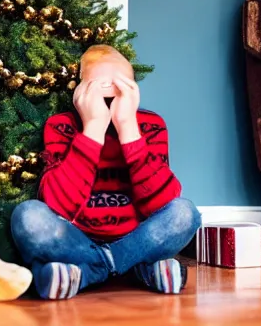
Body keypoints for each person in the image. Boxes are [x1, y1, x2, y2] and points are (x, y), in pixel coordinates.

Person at [10, 45, 201, 300]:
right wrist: (93, 128)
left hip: (136, 235)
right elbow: (57, 206)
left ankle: (88, 273)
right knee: (27, 216)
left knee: (185, 214)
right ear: (81, 93)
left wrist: (128, 128)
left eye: (118, 95)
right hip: (77, 237)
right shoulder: (61, 126)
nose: (110, 105)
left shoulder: (151, 125)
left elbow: (162, 202)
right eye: (101, 97)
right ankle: (137, 269)